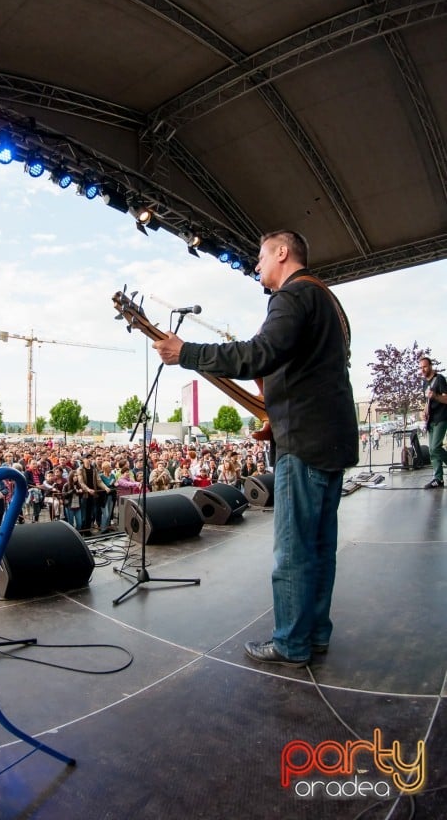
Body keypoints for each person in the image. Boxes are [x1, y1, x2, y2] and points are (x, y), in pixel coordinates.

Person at [153, 230, 358, 668]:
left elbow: (258, 355)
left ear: (283, 253)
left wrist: (186, 352)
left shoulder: (291, 296)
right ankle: (315, 633)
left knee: (294, 550)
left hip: (303, 441)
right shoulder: (326, 301)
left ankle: (290, 643)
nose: (256, 266)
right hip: (331, 437)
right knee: (321, 545)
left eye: (261, 257)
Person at [419, 355, 447, 489]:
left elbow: (446, 399)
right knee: (432, 451)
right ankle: (438, 479)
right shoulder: (425, 383)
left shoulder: (439, 379)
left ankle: (438, 477)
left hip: (442, 418)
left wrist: (436, 396)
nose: (422, 370)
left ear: (430, 366)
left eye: (424, 366)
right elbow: (427, 402)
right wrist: (424, 413)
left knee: (435, 448)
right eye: (421, 367)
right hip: (431, 420)